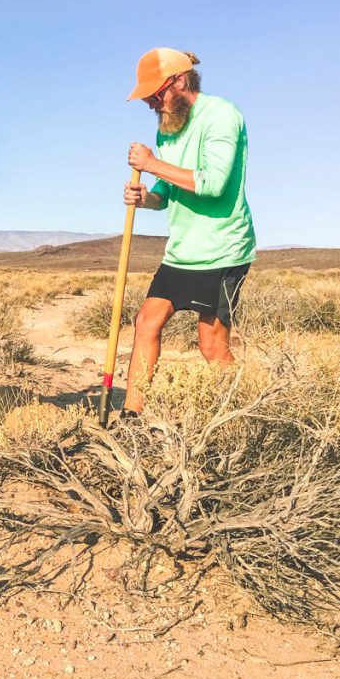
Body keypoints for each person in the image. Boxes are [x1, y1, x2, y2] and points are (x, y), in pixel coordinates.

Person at [122, 48, 256, 415]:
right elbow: (167, 194)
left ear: (180, 81)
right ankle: (131, 416)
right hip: (182, 251)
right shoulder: (168, 129)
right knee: (147, 321)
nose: (151, 103)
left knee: (211, 345)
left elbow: (212, 184)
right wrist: (146, 197)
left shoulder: (221, 115)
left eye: (155, 94)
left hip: (222, 248)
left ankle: (242, 413)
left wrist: (151, 164)